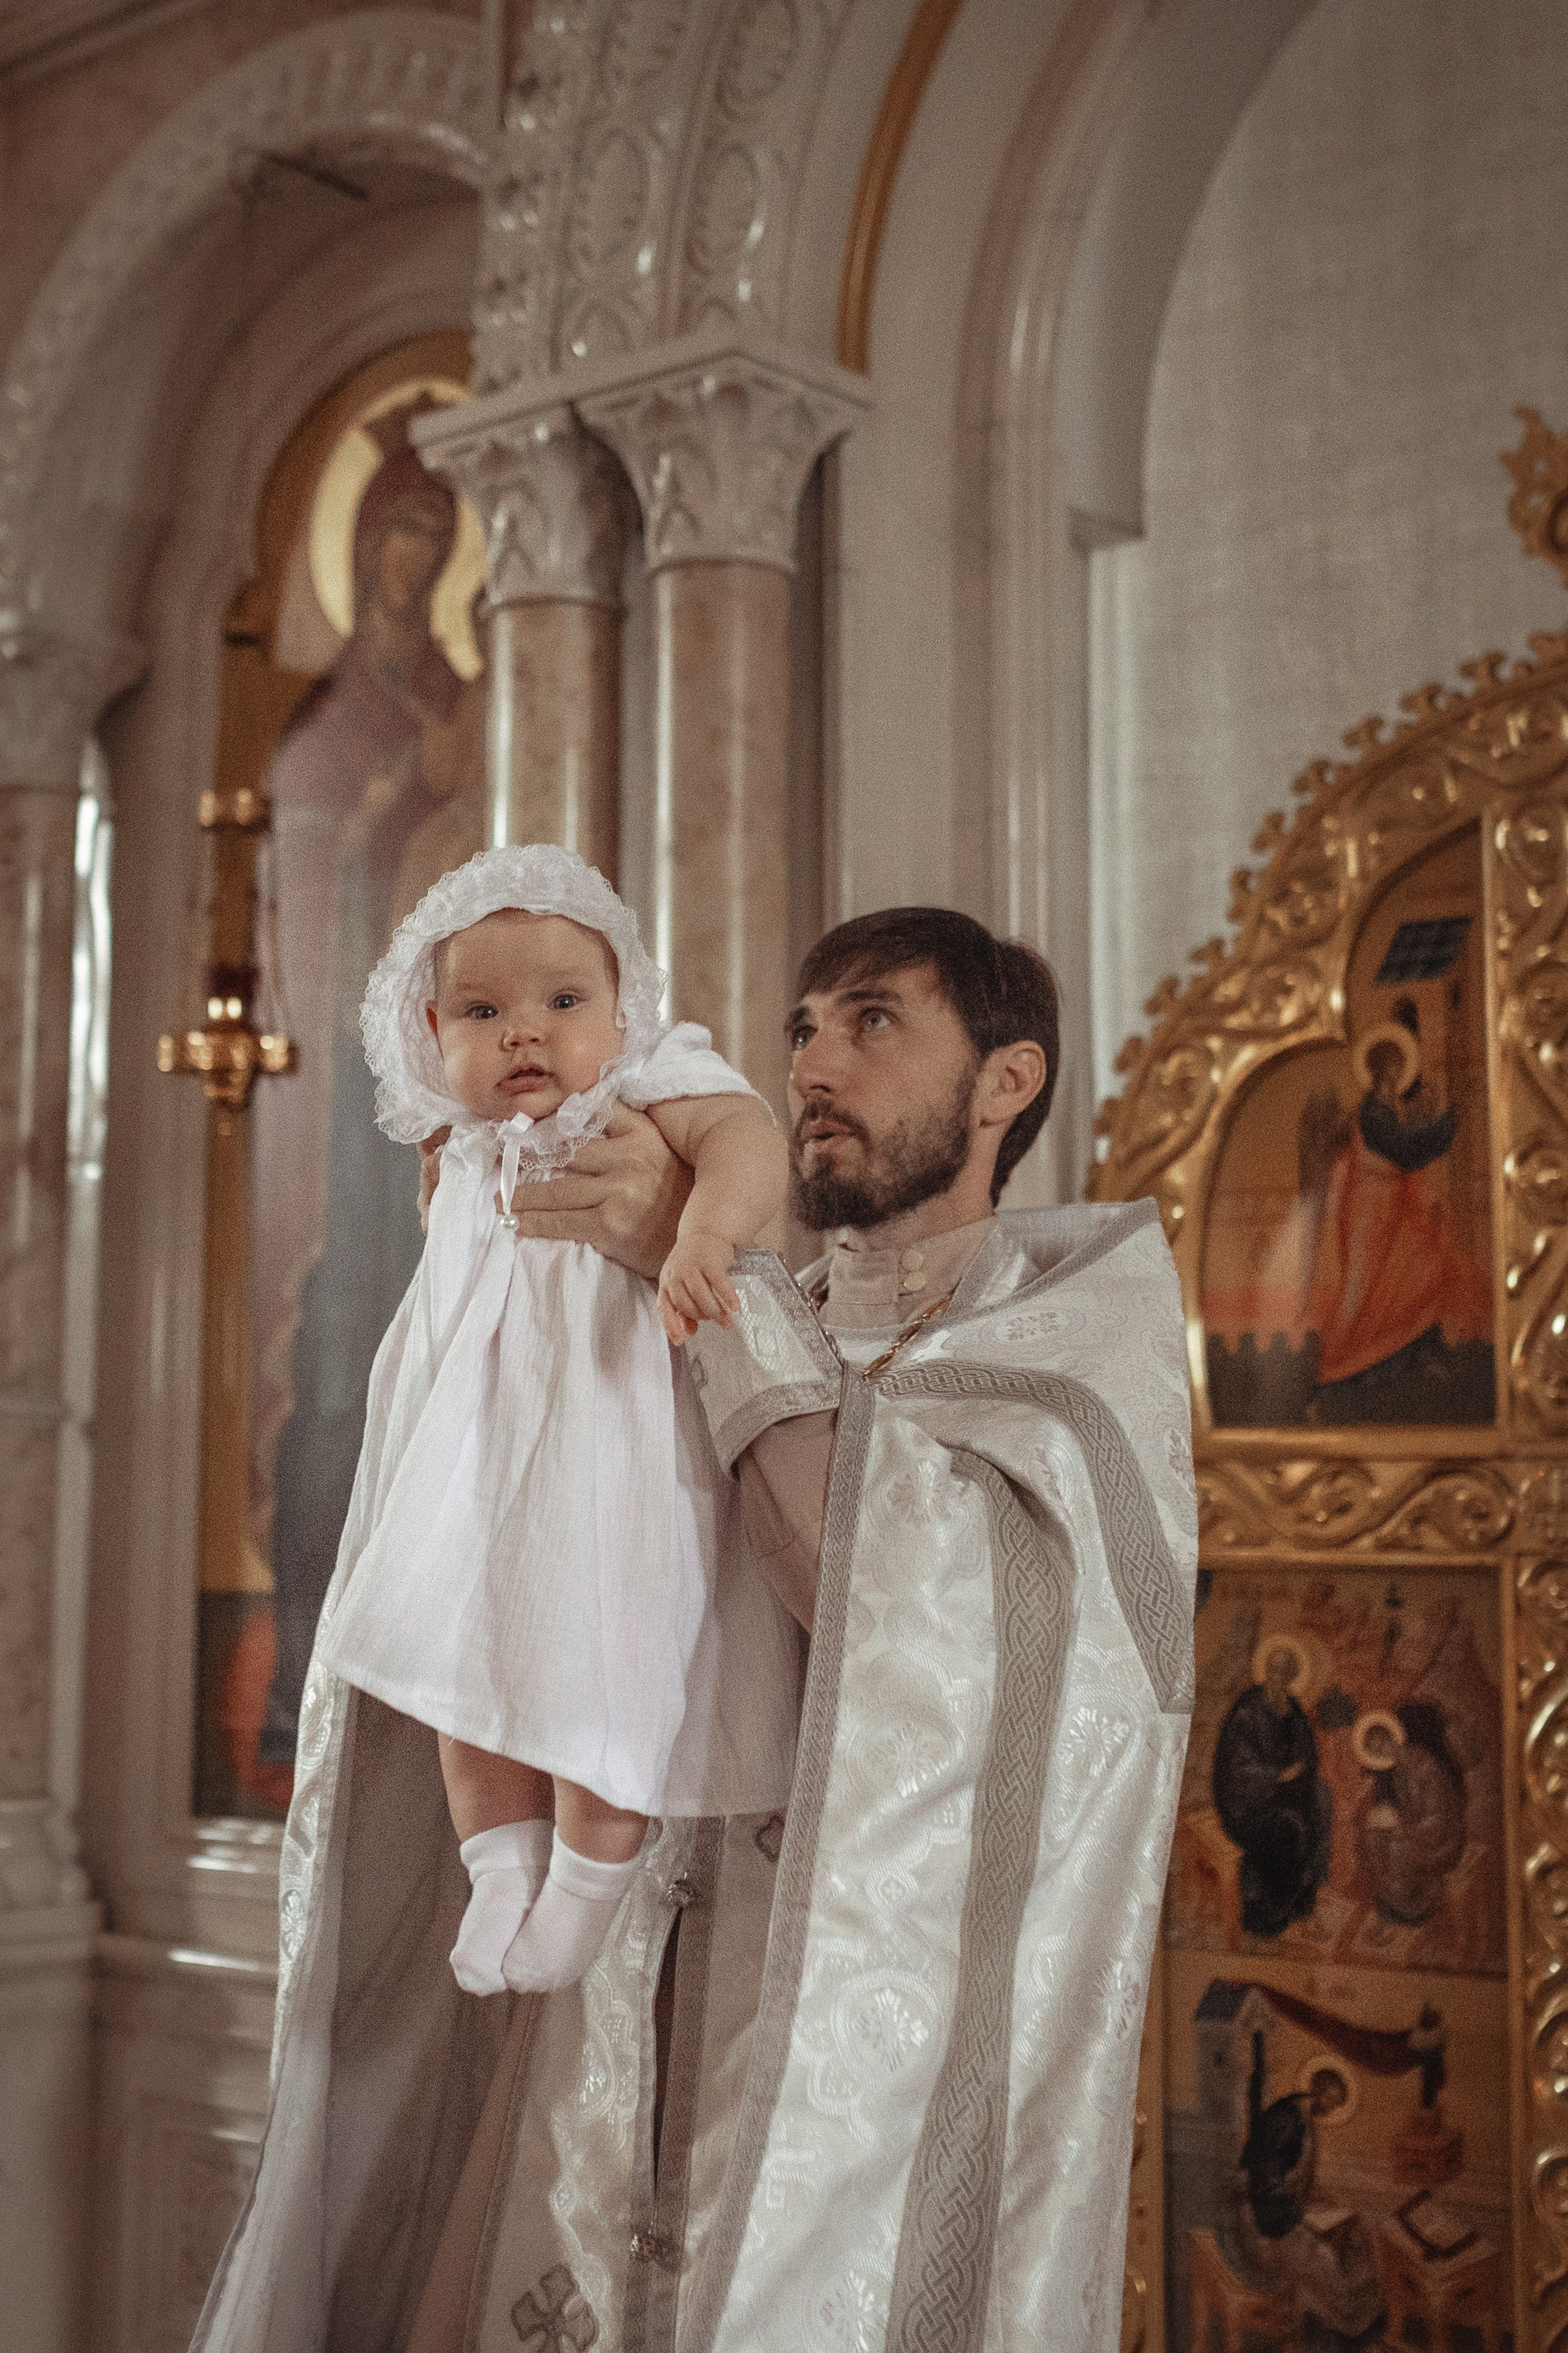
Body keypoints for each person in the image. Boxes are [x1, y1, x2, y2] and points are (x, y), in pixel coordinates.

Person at [194, 905, 1197, 2353]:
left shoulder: (1075, 1352)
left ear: (1007, 1079)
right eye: (801, 1029)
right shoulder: (714, 1308)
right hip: (605, 2047)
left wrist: (695, 1258)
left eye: (872, 1021)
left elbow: (919, 1625)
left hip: (841, 2103)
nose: (813, 1067)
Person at [311, 843, 798, 1993]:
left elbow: (747, 1138)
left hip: (608, 1449)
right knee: (458, 1659)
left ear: (622, 1011)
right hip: (473, 1461)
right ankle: (498, 1861)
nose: (525, 1032)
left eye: (564, 1002)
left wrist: (704, 1232)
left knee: (601, 1665)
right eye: (484, 1012)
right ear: (433, 1031)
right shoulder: (457, 1145)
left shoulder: (640, 1084)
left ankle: (587, 1877)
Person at [1212, 1638, 1333, 1938]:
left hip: (1285, 1795)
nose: (1278, 1677)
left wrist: (1299, 1776)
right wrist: (1276, 1776)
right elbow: (1235, 1766)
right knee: (1290, 1830)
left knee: (1321, 1804)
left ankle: (1302, 1900)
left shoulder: (1294, 1710)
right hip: (1247, 1803)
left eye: (1285, 1672)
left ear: (1292, 1677)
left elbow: (1307, 1756)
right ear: (1265, 1671)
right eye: (1274, 1670)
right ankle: (1269, 1914)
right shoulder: (1248, 1710)